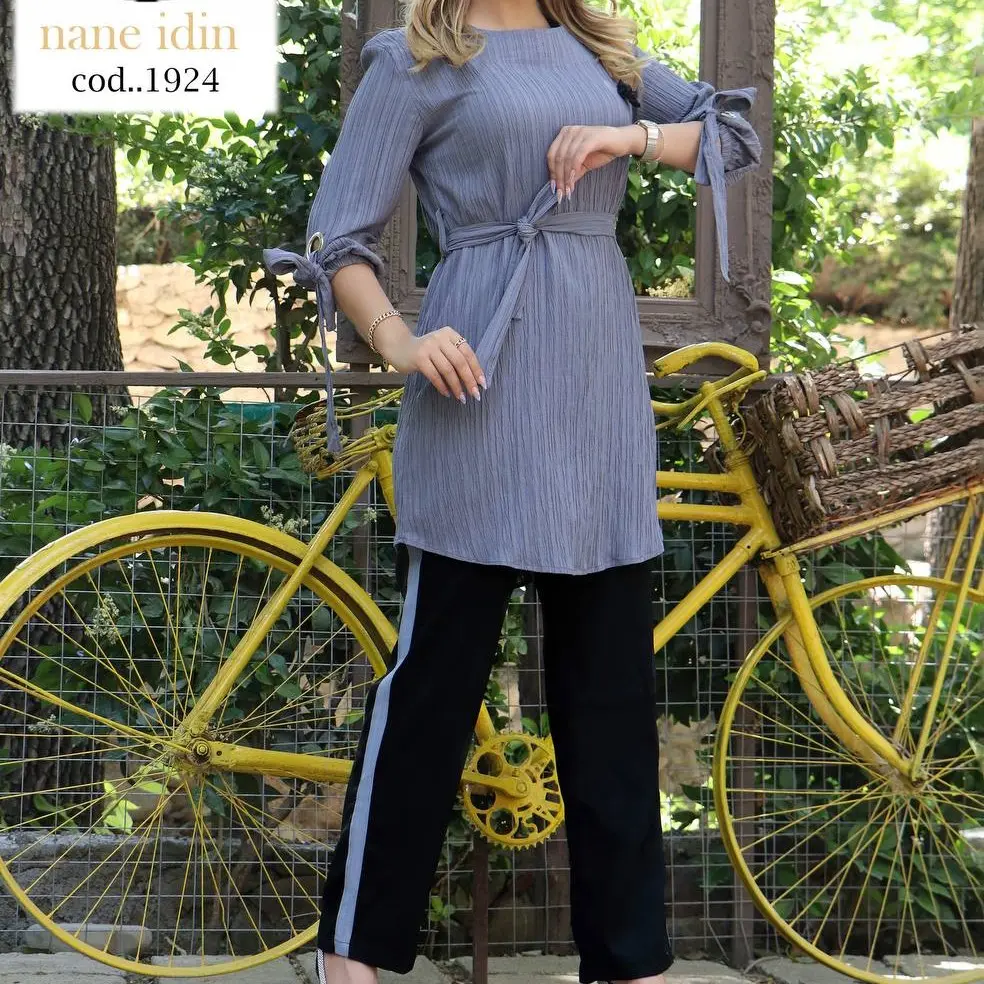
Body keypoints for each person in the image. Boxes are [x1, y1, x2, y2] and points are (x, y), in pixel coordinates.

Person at [262, 1, 762, 982]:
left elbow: (732, 136)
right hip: (476, 389)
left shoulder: (602, 51)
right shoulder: (415, 59)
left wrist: (630, 135)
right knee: (432, 690)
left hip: (595, 390)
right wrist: (400, 341)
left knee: (610, 697)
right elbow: (340, 238)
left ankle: (629, 962)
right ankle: (353, 953)